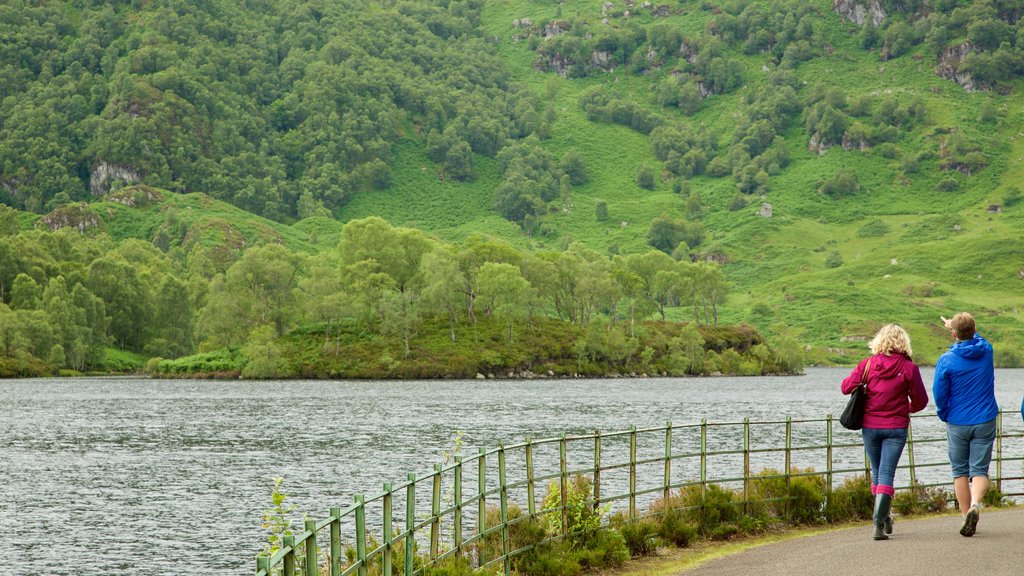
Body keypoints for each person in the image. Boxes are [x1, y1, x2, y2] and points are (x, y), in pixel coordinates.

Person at [841, 324, 928, 541]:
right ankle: (879, 522)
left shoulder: (867, 365)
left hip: (870, 426)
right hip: (896, 427)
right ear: (903, 342)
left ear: (879, 341)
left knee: (878, 473)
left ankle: (883, 518)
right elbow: (921, 401)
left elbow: (845, 387)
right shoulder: (909, 368)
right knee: (886, 474)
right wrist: (904, 409)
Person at [933, 312, 998, 537]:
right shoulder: (986, 351)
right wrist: (963, 327)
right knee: (979, 469)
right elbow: (976, 337)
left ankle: (964, 516)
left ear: (953, 334)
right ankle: (976, 505)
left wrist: (944, 413)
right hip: (985, 418)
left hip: (958, 420)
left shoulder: (946, 360)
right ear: (974, 330)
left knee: (959, 471)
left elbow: (939, 393)